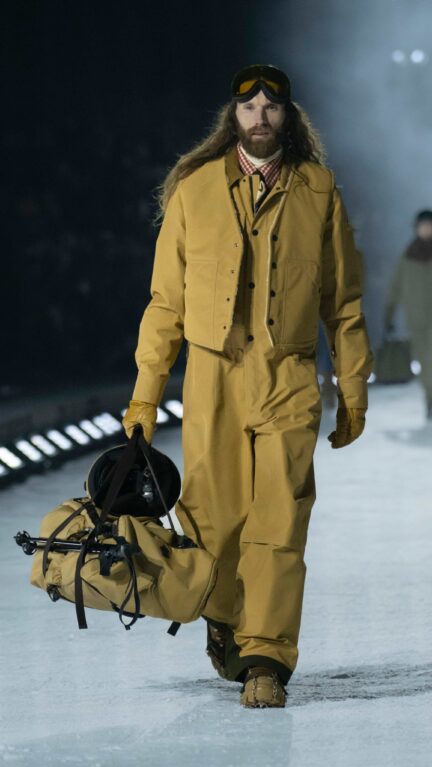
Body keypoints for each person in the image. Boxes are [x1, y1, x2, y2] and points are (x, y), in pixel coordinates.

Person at [122, 63, 374, 708]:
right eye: (248, 107)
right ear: (231, 117)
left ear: (289, 116)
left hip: (289, 374)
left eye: (272, 106)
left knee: (280, 521)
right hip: (213, 378)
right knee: (214, 520)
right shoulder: (195, 190)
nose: (260, 116)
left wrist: (353, 389)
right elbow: (165, 304)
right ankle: (225, 619)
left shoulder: (319, 190)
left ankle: (265, 659)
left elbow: (342, 302)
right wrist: (145, 396)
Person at [385, 209, 432, 419]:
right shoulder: (408, 256)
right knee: (425, 362)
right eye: (423, 225)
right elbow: (395, 287)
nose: (426, 229)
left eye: (429, 225)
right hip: (417, 319)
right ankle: (430, 399)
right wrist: (388, 315)